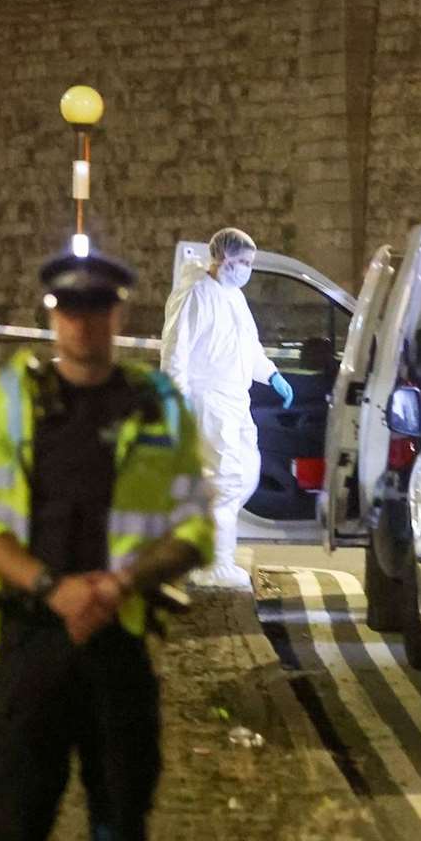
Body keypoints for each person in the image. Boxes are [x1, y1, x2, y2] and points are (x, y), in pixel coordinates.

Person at [0, 252, 213, 841]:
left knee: (120, 838)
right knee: (15, 836)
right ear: (52, 316)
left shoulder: (157, 402)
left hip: (119, 650)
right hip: (30, 646)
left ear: (118, 316)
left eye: (97, 311)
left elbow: (193, 530)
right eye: (70, 311)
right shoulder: (13, 400)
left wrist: (120, 582)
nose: (84, 324)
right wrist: (55, 588)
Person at [159, 227, 292, 588]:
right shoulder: (196, 294)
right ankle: (214, 564)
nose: (248, 269)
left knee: (245, 471)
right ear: (223, 258)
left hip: (234, 399)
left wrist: (272, 374)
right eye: (243, 262)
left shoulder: (232, 296)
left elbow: (248, 348)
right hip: (207, 400)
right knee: (225, 478)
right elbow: (176, 353)